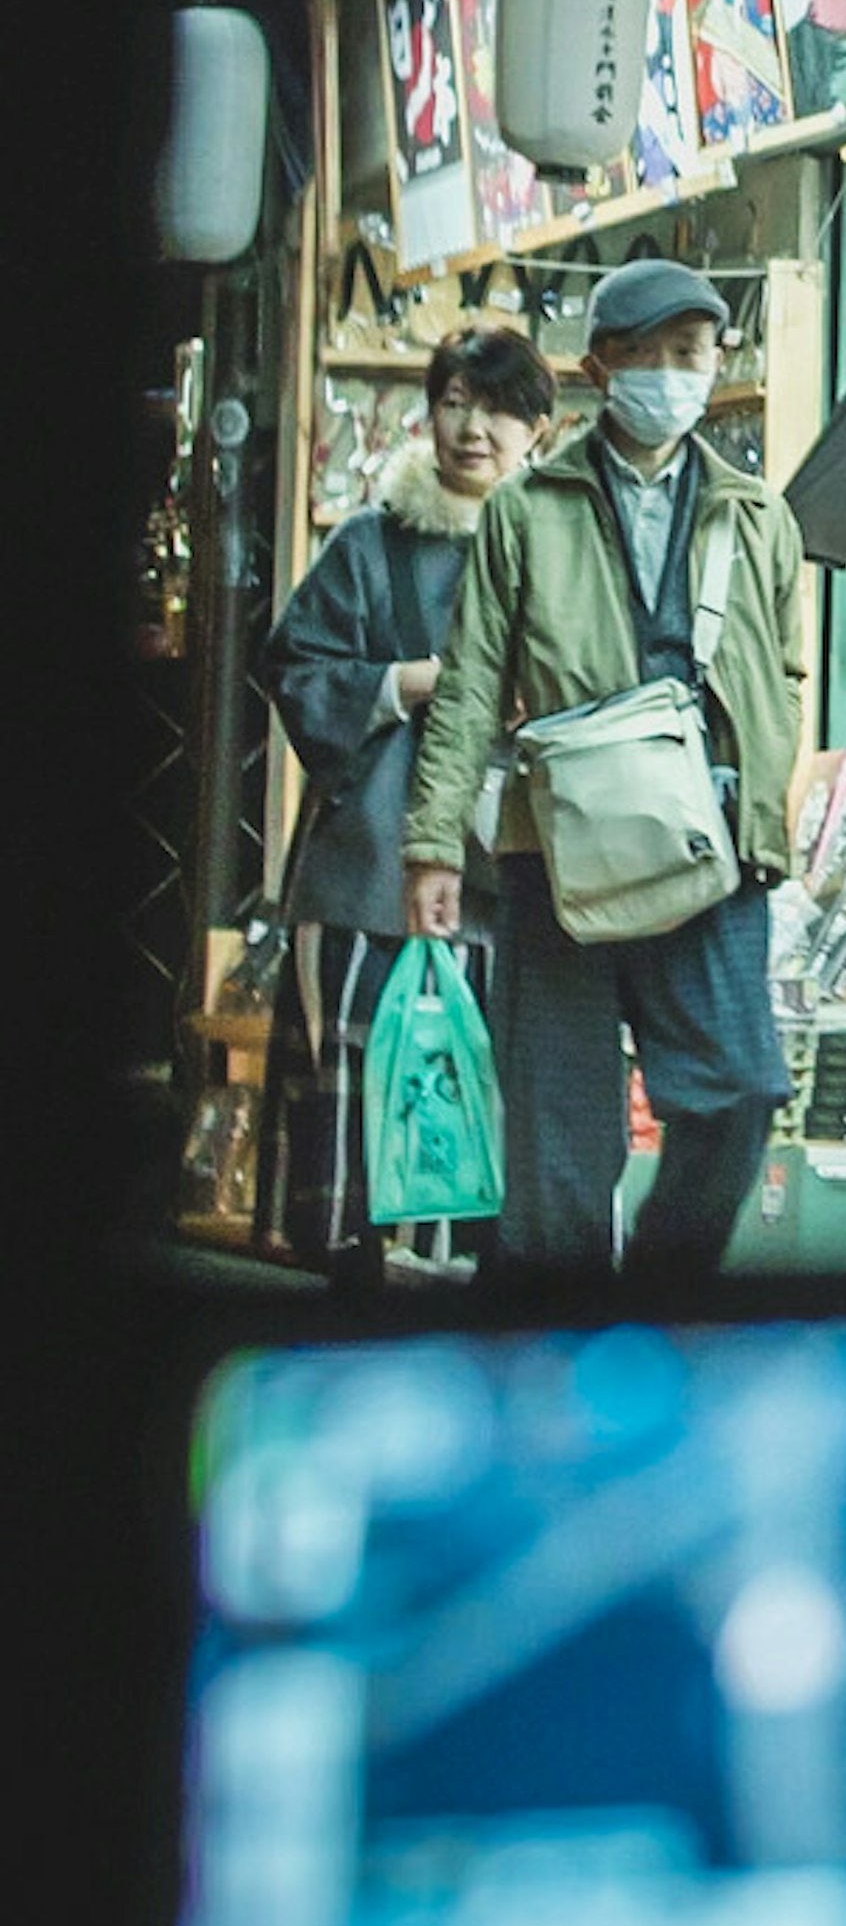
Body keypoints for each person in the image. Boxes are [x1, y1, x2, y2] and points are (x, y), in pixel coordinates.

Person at [402, 259, 811, 1274]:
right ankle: (562, 1357)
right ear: (598, 368)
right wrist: (431, 846)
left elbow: (784, 674)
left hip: (705, 856)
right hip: (558, 854)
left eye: (691, 355)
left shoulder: (755, 513)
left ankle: (660, 1299)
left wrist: (762, 823)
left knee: (741, 1090)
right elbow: (470, 685)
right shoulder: (526, 508)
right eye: (646, 356)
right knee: (559, 1146)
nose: (672, 376)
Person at [260, 321, 552, 1280]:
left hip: (505, 882)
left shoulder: (556, 554)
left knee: (477, 1103)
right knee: (352, 1094)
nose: (474, 426)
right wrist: (410, 681)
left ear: (539, 432)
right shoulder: (370, 545)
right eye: (456, 401)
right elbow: (296, 664)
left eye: (502, 406)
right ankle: (341, 1288)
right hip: (365, 873)